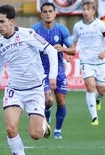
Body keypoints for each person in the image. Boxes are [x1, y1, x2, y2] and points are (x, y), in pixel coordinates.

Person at [0, 4, 58, 155]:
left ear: (12, 21)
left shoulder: (28, 35)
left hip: (34, 90)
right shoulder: (0, 45)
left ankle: (42, 125)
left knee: (35, 135)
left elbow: (50, 50)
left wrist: (53, 76)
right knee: (11, 128)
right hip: (14, 90)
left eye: (2, 21)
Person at [32, 2, 75, 139]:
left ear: (55, 13)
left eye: (50, 11)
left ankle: (57, 130)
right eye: (45, 11)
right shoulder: (34, 30)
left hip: (58, 70)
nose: (48, 13)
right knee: (48, 100)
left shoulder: (62, 30)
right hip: (41, 71)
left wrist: (64, 49)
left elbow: (73, 50)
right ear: (41, 14)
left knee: (61, 101)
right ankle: (47, 110)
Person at [71, 0, 105, 125]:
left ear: (93, 11)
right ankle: (94, 117)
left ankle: (97, 99)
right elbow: (73, 40)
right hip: (86, 62)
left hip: (100, 63)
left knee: (102, 91)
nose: (85, 12)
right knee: (90, 87)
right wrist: (70, 53)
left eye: (88, 9)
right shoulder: (78, 26)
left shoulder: (100, 25)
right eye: (83, 9)